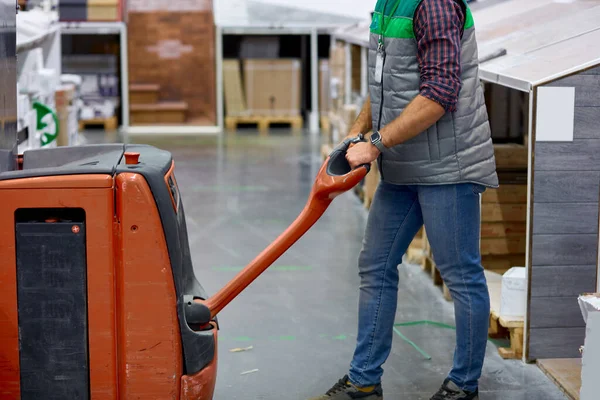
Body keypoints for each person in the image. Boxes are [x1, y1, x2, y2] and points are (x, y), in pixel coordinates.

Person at [309, 0, 498, 399]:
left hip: (449, 167)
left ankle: (464, 385)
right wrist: (358, 133)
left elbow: (440, 93)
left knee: (460, 274)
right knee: (375, 266)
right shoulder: (389, 3)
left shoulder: (436, 5)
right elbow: (383, 83)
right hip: (405, 164)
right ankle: (364, 382)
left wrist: (376, 142)